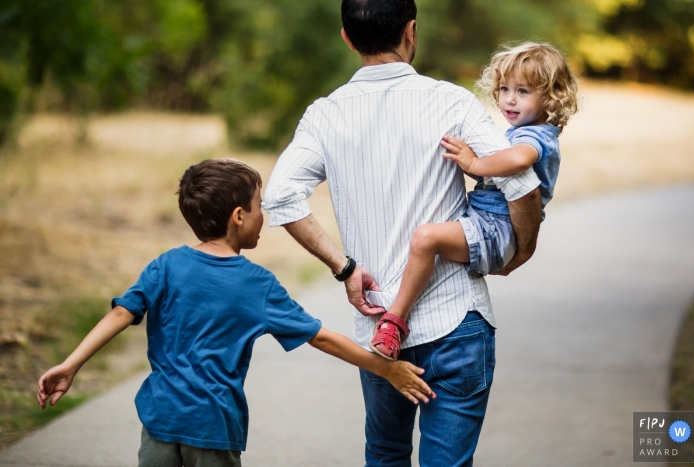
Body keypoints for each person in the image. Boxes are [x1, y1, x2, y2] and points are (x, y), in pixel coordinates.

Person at [262, 1, 543, 465]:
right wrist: (519, 251)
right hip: (457, 320)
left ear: (347, 39)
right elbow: (523, 184)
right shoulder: (451, 102)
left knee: (387, 454)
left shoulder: (324, 115)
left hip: (379, 331)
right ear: (411, 32)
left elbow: (280, 197)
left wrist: (344, 267)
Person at [36, 158, 435, 467]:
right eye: (259, 205)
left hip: (159, 423)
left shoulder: (165, 266)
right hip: (212, 429)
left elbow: (120, 315)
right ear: (239, 217)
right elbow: (321, 337)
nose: (264, 215)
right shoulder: (255, 284)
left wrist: (70, 365)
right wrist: (385, 368)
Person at [370, 42, 579, 361]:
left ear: (550, 97)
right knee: (422, 238)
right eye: (505, 88)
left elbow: (521, 159)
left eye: (523, 91)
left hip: (495, 231)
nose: (509, 98)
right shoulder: (523, 132)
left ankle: (395, 321)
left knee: (425, 238)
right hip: (485, 224)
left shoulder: (534, 137)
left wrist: (473, 164)